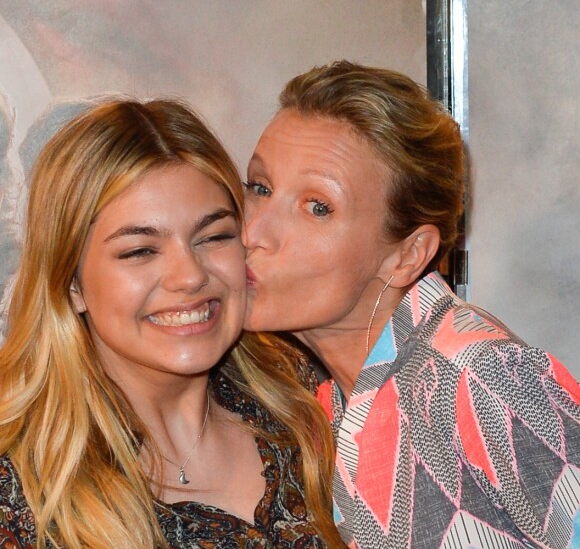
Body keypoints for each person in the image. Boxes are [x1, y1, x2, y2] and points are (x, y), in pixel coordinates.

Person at [242, 60, 580, 548]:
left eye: (318, 207)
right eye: (260, 187)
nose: (253, 232)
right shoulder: (323, 395)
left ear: (407, 255)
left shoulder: (477, 375)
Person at [0, 97, 344, 548]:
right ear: (71, 284)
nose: (190, 276)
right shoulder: (20, 489)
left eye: (214, 237)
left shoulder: (310, 403)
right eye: (140, 251)